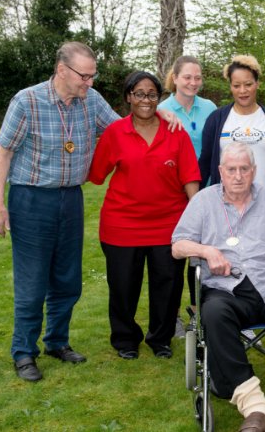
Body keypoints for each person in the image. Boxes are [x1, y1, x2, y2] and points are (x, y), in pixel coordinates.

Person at [172, 142, 265, 432]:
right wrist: (207, 251)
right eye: (231, 169)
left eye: (244, 169)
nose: (238, 176)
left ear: (254, 171)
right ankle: (253, 406)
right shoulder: (204, 201)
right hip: (227, 289)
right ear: (221, 171)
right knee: (213, 313)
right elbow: (178, 245)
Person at [0, 42, 120, 382]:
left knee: (67, 280)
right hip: (31, 200)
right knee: (32, 282)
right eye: (84, 76)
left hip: (71, 199)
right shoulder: (27, 101)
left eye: (93, 76)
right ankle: (24, 352)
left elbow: (122, 130)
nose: (89, 83)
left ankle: (57, 342)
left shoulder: (90, 100)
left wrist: (161, 114)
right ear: (62, 70)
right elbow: (3, 154)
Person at [88, 71, 201, 360]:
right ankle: (125, 339)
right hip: (121, 225)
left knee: (168, 285)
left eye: (152, 94)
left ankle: (160, 339)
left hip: (168, 224)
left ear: (158, 98)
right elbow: (97, 175)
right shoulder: (115, 133)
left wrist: (197, 218)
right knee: (124, 287)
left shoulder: (175, 132)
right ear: (128, 97)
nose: (146, 100)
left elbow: (190, 176)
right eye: (139, 93)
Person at [158, 55, 217, 335]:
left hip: (207, 190)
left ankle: (200, 312)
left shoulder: (210, 108)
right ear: (175, 78)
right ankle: (170, 316)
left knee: (204, 254)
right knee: (174, 257)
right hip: (173, 194)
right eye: (187, 77)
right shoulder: (161, 109)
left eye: (197, 77)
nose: (193, 82)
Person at [199, 54, 265, 194]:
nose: (242, 91)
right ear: (230, 86)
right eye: (236, 85)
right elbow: (204, 164)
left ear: (257, 84)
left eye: (248, 84)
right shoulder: (216, 120)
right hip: (225, 206)